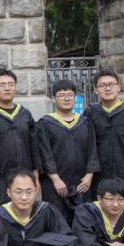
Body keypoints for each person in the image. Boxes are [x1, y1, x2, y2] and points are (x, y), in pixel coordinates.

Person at [35, 79, 99, 222]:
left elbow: (92, 149)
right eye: (61, 95)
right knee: (58, 221)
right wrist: (55, 178)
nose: (66, 98)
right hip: (55, 185)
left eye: (70, 95)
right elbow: (44, 153)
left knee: (83, 220)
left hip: (82, 183)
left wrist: (89, 176)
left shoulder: (85, 122)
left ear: (75, 98)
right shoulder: (45, 123)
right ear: (53, 99)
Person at [0, 68, 39, 208]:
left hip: (24, 180)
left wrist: (36, 177)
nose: (7, 88)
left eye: (11, 84)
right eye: (2, 85)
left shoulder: (25, 114)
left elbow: (34, 147)